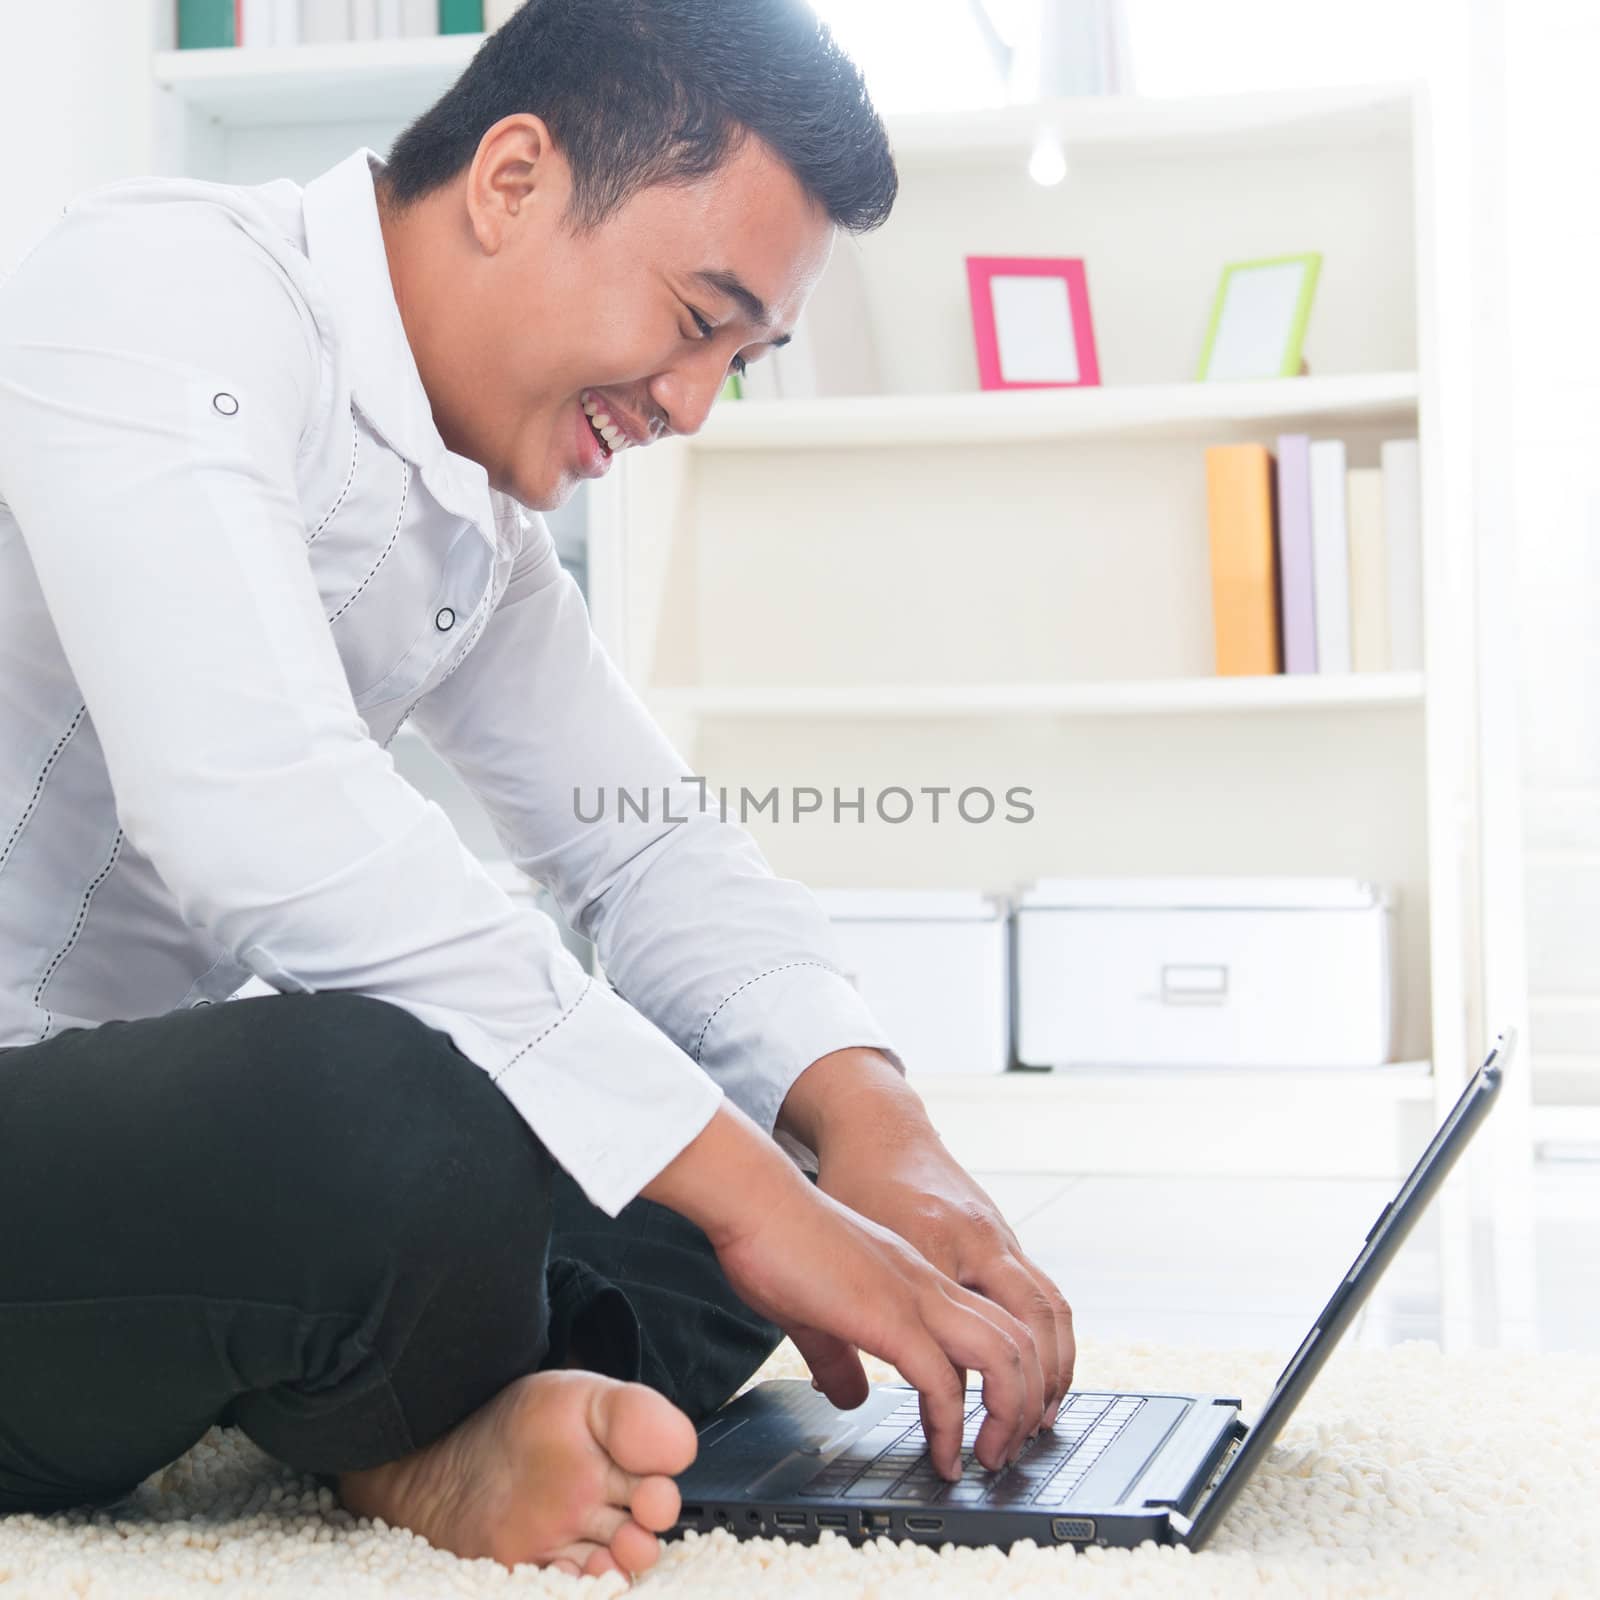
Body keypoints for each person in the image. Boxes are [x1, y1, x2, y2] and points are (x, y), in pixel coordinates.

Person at [0, 0, 1073, 1582]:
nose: (695, 403)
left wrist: (868, 1127)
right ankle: (399, 1426)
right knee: (387, 1110)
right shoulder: (158, 290)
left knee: (728, 1178)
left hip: (150, 1176)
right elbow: (257, 817)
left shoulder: (473, 532)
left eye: (742, 358)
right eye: (698, 316)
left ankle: (433, 1413)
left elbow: (650, 852)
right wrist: (749, 1191)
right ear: (511, 178)